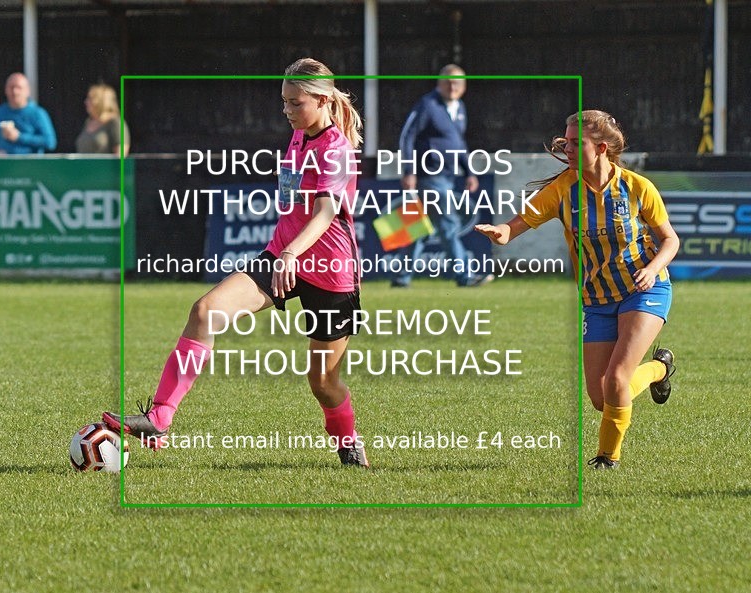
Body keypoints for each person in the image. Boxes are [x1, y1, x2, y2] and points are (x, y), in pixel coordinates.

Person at [103, 58, 369, 468]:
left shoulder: (336, 150)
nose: (287, 110)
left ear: (321, 100)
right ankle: (160, 417)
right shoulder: (298, 136)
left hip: (331, 273)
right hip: (283, 256)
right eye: (283, 102)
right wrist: (285, 252)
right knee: (205, 311)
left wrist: (291, 253)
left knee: (322, 382)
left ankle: (349, 443)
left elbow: (325, 212)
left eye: (295, 103)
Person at [475, 110, 679, 470]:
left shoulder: (636, 187)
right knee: (603, 398)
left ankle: (606, 458)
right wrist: (502, 233)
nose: (565, 148)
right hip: (597, 299)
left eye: (574, 143)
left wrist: (652, 268)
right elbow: (519, 223)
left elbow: (670, 241)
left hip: (643, 290)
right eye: (566, 141)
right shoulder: (563, 190)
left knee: (617, 379)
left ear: (600, 148)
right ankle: (660, 371)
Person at [391, 64, 493, 288]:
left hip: (447, 176)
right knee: (448, 224)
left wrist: (469, 172)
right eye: (448, 81)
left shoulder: (459, 108)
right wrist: (408, 170)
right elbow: (407, 136)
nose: (452, 86)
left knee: (419, 229)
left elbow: (458, 144)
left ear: (464, 86)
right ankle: (465, 277)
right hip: (429, 176)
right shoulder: (428, 105)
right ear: (439, 83)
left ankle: (401, 278)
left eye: (457, 82)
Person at [0, 73, 57, 154]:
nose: (15, 92)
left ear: (27, 91)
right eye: (11, 87)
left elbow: (50, 142)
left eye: (19, 87)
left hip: (30, 164)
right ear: (5, 90)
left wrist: (19, 137)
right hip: (4, 165)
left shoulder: (38, 113)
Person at [75, 83, 130, 156]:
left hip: (104, 167)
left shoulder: (115, 123)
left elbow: (121, 155)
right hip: (83, 167)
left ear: (101, 101)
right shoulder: (88, 122)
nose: (86, 102)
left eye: (90, 99)